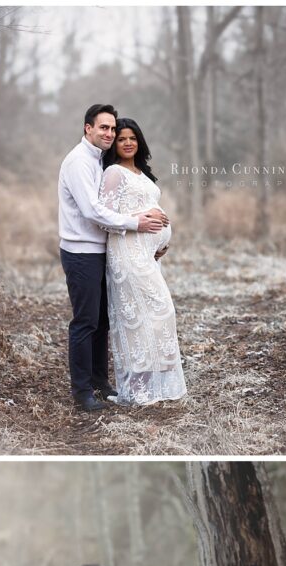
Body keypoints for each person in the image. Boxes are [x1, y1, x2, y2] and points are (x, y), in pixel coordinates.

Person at [58, 104, 169, 412]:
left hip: (102, 252)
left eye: (111, 129)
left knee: (103, 322)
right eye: (103, 128)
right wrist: (139, 223)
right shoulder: (79, 162)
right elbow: (93, 212)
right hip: (81, 252)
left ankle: (99, 381)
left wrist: (152, 237)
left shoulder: (98, 161)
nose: (108, 133)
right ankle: (82, 392)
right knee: (85, 322)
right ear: (87, 128)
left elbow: (117, 207)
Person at [99, 118, 187, 406]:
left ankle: (154, 388)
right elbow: (105, 218)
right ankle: (137, 391)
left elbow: (149, 212)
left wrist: (159, 242)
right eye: (121, 138)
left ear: (140, 141)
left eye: (132, 137)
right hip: (126, 254)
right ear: (114, 144)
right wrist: (144, 222)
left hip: (146, 256)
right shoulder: (113, 173)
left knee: (159, 317)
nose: (127, 142)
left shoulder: (140, 173)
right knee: (144, 318)